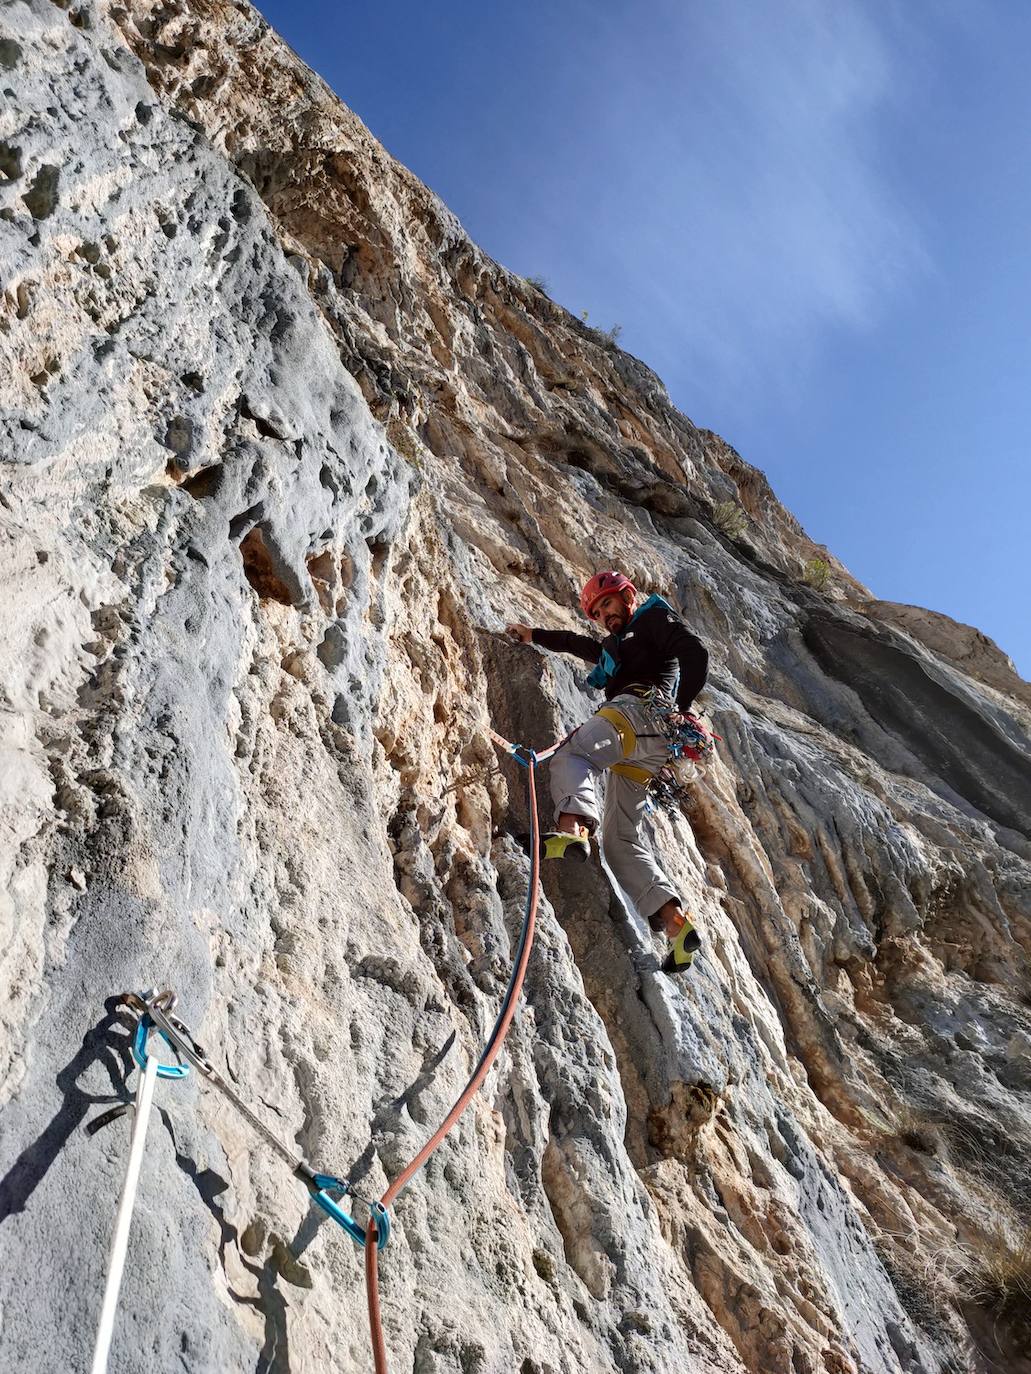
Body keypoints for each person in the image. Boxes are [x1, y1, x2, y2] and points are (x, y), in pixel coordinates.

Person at [506, 570, 708, 973]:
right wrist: (533, 635)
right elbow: (577, 643)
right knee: (620, 840)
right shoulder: (614, 646)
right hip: (649, 751)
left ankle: (572, 831)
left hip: (638, 714)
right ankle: (675, 924)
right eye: (598, 612)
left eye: (609, 604)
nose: (605, 615)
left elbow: (695, 654)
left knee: (572, 755)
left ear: (628, 595)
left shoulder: (650, 619)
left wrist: (681, 707)